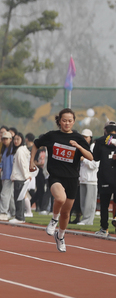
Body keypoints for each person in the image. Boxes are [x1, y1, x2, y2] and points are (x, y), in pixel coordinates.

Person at [30, 108, 93, 252]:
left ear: (74, 121)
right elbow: (36, 144)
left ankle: (60, 236)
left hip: (72, 178)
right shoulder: (52, 136)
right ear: (59, 121)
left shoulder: (78, 138)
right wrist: (31, 161)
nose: (67, 123)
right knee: (60, 198)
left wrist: (78, 146)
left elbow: (90, 157)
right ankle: (53, 220)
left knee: (66, 213)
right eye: (64, 120)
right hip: (56, 176)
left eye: (70, 121)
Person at [92, 122, 116, 237]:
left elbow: (95, 158)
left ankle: (104, 228)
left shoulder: (100, 140)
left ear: (105, 130)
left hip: (105, 175)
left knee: (104, 204)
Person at [75, 129, 98, 226]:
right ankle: (85, 219)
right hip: (83, 178)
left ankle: (88, 220)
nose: (84, 139)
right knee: (83, 202)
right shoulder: (81, 148)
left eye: (86, 137)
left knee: (89, 202)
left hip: (91, 179)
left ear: (90, 138)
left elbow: (94, 165)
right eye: (83, 137)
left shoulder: (93, 147)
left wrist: (84, 159)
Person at [9, 133, 31, 224]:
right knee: (19, 197)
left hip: (20, 178)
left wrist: (26, 176)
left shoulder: (20, 151)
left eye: (18, 139)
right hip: (19, 177)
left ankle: (19, 217)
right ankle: (20, 216)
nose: (16, 141)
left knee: (18, 198)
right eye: (14, 139)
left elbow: (22, 164)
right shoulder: (21, 150)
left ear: (22, 140)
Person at [0, 131, 16, 221]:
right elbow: (3, 161)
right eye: (3, 139)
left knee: (4, 194)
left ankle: (3, 212)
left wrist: (13, 174)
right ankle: (14, 213)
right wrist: (0, 167)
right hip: (5, 175)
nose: (5, 140)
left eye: (6, 139)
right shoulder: (5, 150)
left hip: (9, 175)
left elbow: (13, 163)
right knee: (10, 196)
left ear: (10, 139)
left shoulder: (12, 150)